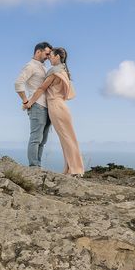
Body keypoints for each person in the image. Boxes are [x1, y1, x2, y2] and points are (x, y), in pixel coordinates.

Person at [25, 47, 84, 176]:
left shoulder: (54, 71)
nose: (49, 58)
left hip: (56, 106)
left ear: (57, 56)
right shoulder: (63, 70)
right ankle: (71, 169)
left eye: (51, 55)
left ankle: (75, 170)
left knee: (67, 138)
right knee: (68, 138)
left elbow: (41, 88)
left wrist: (29, 103)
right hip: (61, 106)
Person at [15, 42, 52, 167]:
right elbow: (18, 83)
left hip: (48, 107)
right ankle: (34, 167)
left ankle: (38, 165)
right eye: (47, 53)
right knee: (36, 138)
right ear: (38, 52)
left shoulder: (44, 67)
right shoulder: (30, 66)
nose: (48, 56)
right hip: (37, 105)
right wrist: (25, 101)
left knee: (43, 140)